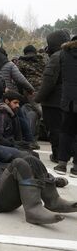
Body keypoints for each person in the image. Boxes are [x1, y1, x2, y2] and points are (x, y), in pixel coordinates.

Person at [35, 30, 71, 163]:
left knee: (55, 129)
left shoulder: (57, 57)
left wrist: (38, 97)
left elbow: (49, 81)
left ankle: (57, 155)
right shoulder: (71, 55)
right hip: (69, 99)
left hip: (53, 101)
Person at [56, 35, 77, 176]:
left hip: (68, 100)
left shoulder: (63, 54)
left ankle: (62, 163)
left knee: (66, 131)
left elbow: (55, 76)